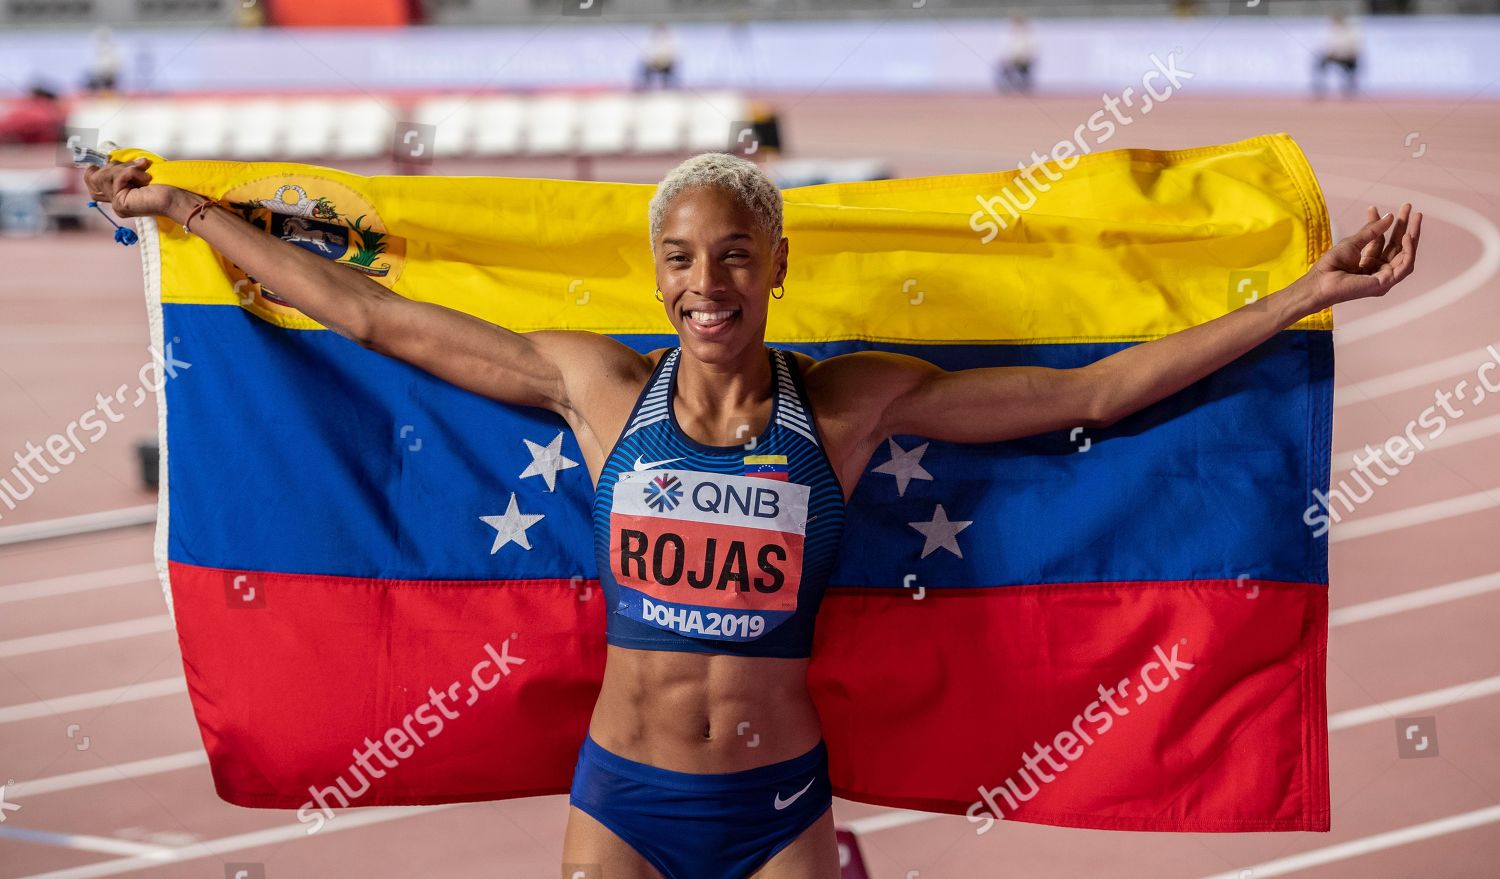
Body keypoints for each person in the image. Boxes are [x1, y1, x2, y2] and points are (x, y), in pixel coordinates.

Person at [83, 152, 1421, 878]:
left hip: (777, 802)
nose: (704, 279)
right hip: (619, 798)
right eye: (680, 257)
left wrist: (1305, 294)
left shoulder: (849, 407)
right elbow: (370, 313)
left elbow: (1107, 385)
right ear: (655, 272)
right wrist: (186, 211)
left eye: (733, 252)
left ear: (776, 262)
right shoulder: (599, 389)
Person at [1313, 10, 1361, 99]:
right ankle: (1320, 89)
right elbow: (1325, 47)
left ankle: (1349, 90)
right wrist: (1330, 52)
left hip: (1347, 58)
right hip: (1333, 56)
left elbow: (1355, 48)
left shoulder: (1351, 32)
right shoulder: (1330, 32)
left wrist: (1347, 53)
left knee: (1352, 65)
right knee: (1320, 63)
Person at [996, 12, 1036, 93]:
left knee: (1024, 69)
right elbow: (1005, 49)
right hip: (1012, 59)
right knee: (1004, 68)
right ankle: (1006, 86)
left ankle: (1024, 86)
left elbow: (1032, 48)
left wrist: (1025, 57)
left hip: (1024, 59)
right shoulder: (1008, 34)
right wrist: (1007, 58)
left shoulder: (1027, 34)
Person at [639, 23, 678, 90]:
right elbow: (646, 56)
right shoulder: (651, 41)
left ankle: (667, 87)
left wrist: (665, 61)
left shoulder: (670, 41)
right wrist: (654, 62)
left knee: (671, 68)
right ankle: (647, 87)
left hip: (666, 64)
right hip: (654, 64)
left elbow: (673, 55)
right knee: (645, 68)